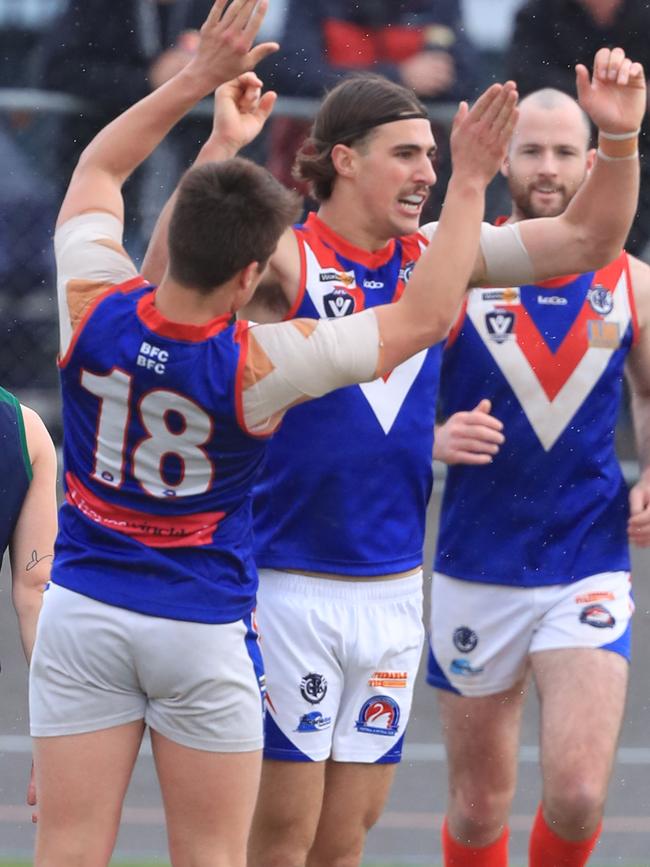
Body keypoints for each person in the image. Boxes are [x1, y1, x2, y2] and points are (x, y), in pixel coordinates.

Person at [27, 1, 521, 864]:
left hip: (85, 608)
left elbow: (100, 168)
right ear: (255, 272)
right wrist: (473, 180)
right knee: (220, 856)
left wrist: (196, 84)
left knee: (68, 847)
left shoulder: (90, 309)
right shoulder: (258, 369)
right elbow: (421, 316)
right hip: (201, 618)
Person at [141, 45, 646, 867]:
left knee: (344, 844)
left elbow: (590, 238)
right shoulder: (289, 253)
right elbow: (168, 280)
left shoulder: (434, 257)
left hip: (388, 596)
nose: (427, 172)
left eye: (435, 158)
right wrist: (220, 146)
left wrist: (619, 143)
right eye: (408, 154)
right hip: (286, 586)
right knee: (278, 844)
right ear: (345, 159)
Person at [428, 87, 650, 867]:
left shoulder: (631, 280)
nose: (548, 168)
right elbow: (374, 387)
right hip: (474, 563)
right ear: (503, 161)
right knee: (479, 805)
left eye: (563, 152)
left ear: (594, 161)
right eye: (532, 151)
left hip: (585, 559)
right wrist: (432, 435)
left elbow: (649, 389)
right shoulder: (457, 263)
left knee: (580, 791)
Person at [505, 0, 650, 257]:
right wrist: (600, 101)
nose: (547, 168)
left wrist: (621, 113)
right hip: (559, 139)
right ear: (502, 159)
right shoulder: (537, 13)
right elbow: (528, 79)